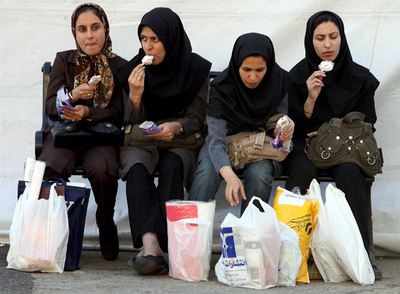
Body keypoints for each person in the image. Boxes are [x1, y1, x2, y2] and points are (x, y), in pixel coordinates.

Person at [283, 10, 382, 279]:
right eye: (320, 38)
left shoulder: (360, 78)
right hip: (305, 146)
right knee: (302, 171)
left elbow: (369, 123)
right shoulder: (298, 77)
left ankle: (362, 252)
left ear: (342, 38)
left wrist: (334, 131)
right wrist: (310, 99)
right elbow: (290, 128)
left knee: (351, 173)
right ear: (310, 41)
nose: (328, 45)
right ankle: (293, 252)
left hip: (345, 148)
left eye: (333, 37)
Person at [116, 7, 211, 275]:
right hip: (143, 140)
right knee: (135, 167)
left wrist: (176, 126)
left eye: (155, 40)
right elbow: (128, 121)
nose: (148, 46)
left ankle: (170, 245)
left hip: (178, 140)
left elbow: (196, 118)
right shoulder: (133, 70)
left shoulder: (195, 70)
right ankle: (150, 245)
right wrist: (135, 96)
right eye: (144, 39)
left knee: (172, 166)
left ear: (171, 40)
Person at [39, 3, 127, 261]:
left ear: (106, 29)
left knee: (102, 169)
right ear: (74, 33)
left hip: (100, 136)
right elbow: (50, 106)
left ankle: (105, 219)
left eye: (95, 27)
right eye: (82, 29)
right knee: (51, 168)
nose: (89, 35)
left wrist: (89, 113)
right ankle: (52, 233)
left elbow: (120, 110)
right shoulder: (64, 60)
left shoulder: (119, 65)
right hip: (66, 135)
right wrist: (72, 96)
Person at [189, 33, 293, 213]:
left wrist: (282, 130)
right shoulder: (222, 88)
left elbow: (277, 123)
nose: (253, 77)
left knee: (259, 175)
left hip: (260, 146)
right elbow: (215, 139)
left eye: (260, 70)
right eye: (246, 70)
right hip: (224, 142)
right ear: (237, 65)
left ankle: (249, 234)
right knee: (206, 172)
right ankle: (191, 231)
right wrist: (229, 176)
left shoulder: (279, 82)